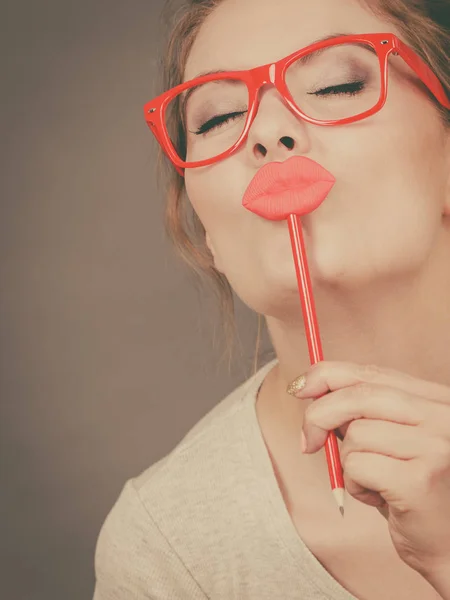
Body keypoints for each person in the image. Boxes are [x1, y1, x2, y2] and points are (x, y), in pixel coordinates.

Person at [92, 0, 450, 598]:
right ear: (208, 234)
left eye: (336, 84)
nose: (266, 131)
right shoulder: (167, 550)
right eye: (216, 120)